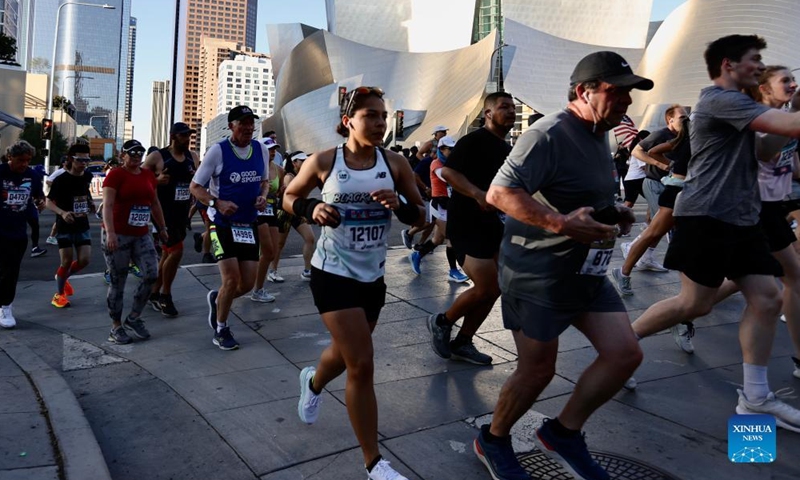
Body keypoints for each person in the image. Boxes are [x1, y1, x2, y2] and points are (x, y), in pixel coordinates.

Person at [475, 51, 649, 480]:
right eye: (617, 91)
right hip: (538, 275)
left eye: (630, 93)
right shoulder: (547, 133)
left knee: (624, 355)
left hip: (586, 272)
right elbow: (499, 194)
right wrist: (559, 223)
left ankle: (563, 432)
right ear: (583, 91)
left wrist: (613, 214)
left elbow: (579, 194)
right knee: (537, 370)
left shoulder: (598, 133)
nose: (627, 101)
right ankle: (493, 440)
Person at [628, 35, 800, 432]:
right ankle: (623, 346)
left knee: (769, 297)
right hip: (706, 216)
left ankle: (755, 397)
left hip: (742, 217)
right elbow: (787, 125)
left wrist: (785, 115)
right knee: (694, 304)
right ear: (728, 64)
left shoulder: (743, 104)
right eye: (755, 59)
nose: (760, 66)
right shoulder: (720, 99)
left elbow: (765, 151)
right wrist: (790, 114)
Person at [285, 86, 424, 480]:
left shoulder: (394, 163)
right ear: (349, 121)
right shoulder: (325, 161)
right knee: (361, 364)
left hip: (372, 277)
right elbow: (288, 196)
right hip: (332, 274)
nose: (380, 123)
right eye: (371, 116)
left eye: (383, 116)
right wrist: (314, 207)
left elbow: (423, 215)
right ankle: (374, 463)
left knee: (345, 353)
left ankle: (311, 383)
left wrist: (402, 206)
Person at [427, 92, 516, 365]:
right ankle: (443, 321)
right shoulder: (473, 141)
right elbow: (448, 173)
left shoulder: (506, 148)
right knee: (487, 286)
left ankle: (463, 341)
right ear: (488, 113)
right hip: (466, 222)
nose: (511, 111)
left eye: (513, 107)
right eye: (504, 107)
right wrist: (478, 194)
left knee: (497, 287)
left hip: (493, 224)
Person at [612, 115, 697, 355]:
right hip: (677, 192)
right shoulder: (686, 140)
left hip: (694, 196)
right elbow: (648, 150)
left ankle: (683, 318)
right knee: (654, 234)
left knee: (663, 238)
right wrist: (664, 166)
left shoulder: (694, 140)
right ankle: (624, 272)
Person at [190, 105, 271, 350]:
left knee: (246, 284)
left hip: (248, 224)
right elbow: (195, 187)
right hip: (221, 223)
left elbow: (265, 181)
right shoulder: (219, 151)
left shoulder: (261, 150)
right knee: (231, 280)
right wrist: (217, 202)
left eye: (251, 123)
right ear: (231, 126)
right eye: (243, 123)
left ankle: (218, 300)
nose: (248, 128)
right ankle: (221, 328)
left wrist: (262, 196)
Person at [102, 140, 168, 344]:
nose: (136, 156)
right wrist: (111, 233)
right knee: (118, 281)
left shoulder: (148, 175)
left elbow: (154, 203)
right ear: (123, 155)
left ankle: (134, 317)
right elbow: (107, 205)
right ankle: (116, 326)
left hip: (141, 233)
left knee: (152, 274)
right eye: (132, 153)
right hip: (118, 234)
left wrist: (163, 228)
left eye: (140, 153)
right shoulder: (116, 175)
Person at [143, 122, 200, 317]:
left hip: (182, 211)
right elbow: (139, 178)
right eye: (184, 135)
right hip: (162, 211)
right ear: (173, 136)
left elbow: (200, 180)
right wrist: (155, 180)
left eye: (189, 135)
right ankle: (165, 295)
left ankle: (152, 292)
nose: (188, 139)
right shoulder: (158, 156)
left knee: (168, 254)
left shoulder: (193, 157)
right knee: (176, 252)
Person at [408, 135, 469, 283]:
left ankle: (418, 255)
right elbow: (448, 178)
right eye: (450, 149)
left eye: (454, 149)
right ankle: (453, 271)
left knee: (437, 239)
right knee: (451, 237)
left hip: (449, 204)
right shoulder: (436, 164)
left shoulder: (452, 163)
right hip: (439, 204)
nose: (452, 152)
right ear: (441, 149)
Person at [0, 141, 45, 328]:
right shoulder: (1, 172)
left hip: (18, 233)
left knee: (11, 272)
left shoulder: (32, 175)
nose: (24, 164)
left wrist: (40, 201)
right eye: (20, 160)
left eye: (27, 160)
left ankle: (5, 307)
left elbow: (38, 195)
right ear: (10, 157)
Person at [46, 143, 95, 308]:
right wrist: (62, 213)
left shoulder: (87, 176)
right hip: (65, 225)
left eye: (86, 160)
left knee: (84, 260)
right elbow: (48, 202)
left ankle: (63, 276)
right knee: (66, 261)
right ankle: (59, 295)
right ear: (70, 159)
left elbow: (84, 191)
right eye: (80, 160)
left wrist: (89, 203)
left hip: (82, 224)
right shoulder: (61, 179)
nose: (83, 163)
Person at [269, 150, 315, 281]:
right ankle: (272, 271)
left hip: (297, 213)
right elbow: (291, 198)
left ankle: (307, 270)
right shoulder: (289, 176)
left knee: (310, 238)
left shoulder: (303, 175)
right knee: (279, 244)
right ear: (294, 162)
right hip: (284, 212)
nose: (305, 162)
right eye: (302, 160)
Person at [251, 138, 281, 299]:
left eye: (274, 149)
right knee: (266, 251)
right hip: (258, 212)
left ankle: (258, 288)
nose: (273, 152)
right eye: (269, 149)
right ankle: (255, 289)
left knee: (272, 253)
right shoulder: (255, 167)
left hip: (273, 211)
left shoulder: (278, 169)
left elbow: (280, 191)